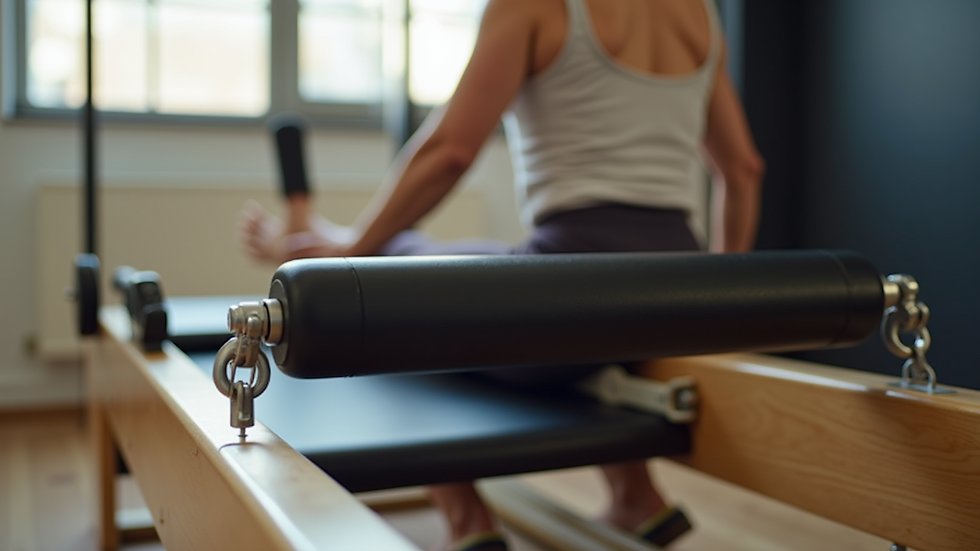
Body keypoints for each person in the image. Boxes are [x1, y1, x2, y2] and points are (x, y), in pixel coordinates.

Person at [241, 0, 764, 549]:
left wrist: (349, 251)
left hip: (574, 281)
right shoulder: (699, 13)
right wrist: (717, 305)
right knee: (567, 322)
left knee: (383, 291)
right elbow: (743, 170)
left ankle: (468, 523)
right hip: (674, 288)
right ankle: (638, 498)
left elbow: (450, 152)